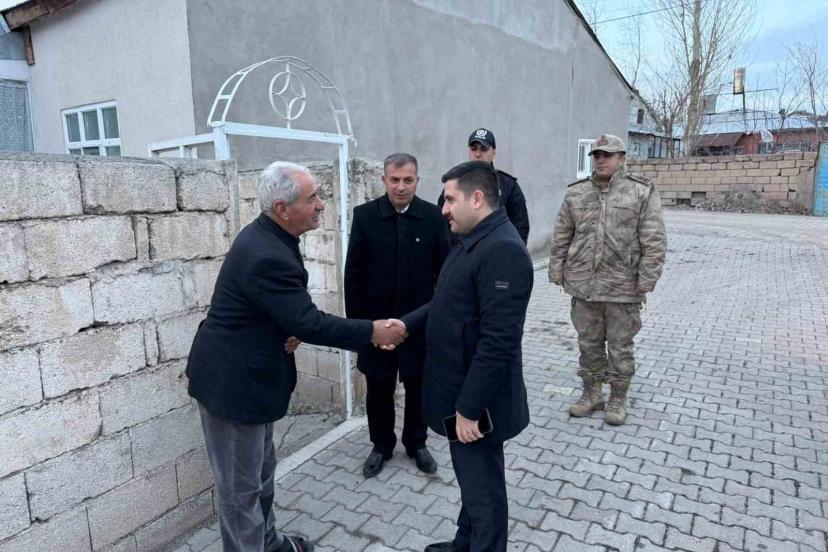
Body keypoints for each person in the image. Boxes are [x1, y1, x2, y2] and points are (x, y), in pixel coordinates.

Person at [186, 161, 407, 552]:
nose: (321, 205)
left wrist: (283, 328)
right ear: (282, 209)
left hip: (253, 379)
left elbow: (274, 310)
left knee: (261, 476)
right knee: (240, 494)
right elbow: (308, 322)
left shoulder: (272, 237)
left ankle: (269, 543)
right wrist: (372, 331)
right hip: (234, 388)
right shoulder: (265, 252)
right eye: (312, 198)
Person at [399, 161, 533, 552]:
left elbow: (499, 341)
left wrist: (469, 409)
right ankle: (465, 542)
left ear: (476, 199)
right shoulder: (473, 238)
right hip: (460, 392)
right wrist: (405, 324)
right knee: (472, 483)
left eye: (450, 199)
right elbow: (448, 302)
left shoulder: (502, 251)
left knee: (484, 492)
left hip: (478, 405)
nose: (443, 209)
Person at [548, 134, 666, 426]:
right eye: (597, 155)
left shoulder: (640, 192)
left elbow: (654, 239)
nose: (600, 160)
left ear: (622, 158)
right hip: (584, 286)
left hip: (622, 287)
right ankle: (591, 393)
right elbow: (562, 234)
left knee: (620, 347)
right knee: (588, 344)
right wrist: (556, 268)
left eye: (607, 155)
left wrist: (647, 279)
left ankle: (617, 397)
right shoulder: (576, 193)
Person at [344, 153, 450, 478]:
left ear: (417, 181)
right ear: (384, 180)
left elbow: (445, 276)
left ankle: (417, 443)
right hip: (376, 326)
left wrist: (433, 321)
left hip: (418, 326)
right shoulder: (365, 216)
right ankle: (381, 445)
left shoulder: (433, 218)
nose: (401, 187)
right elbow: (354, 276)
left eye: (408, 180)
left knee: (418, 387)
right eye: (394, 179)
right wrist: (362, 329)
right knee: (379, 388)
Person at [437, 128, 530, 244]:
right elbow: (442, 223)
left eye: (484, 149)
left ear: (493, 152)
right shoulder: (455, 183)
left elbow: (520, 227)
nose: (477, 154)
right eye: (473, 148)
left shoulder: (508, 186)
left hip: (496, 250)